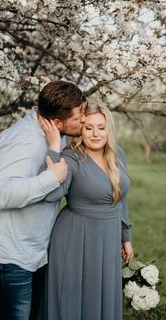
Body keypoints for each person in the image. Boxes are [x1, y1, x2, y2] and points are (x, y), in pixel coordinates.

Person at [0, 80, 87, 320]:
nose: (84, 120)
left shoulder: (56, 136)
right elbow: (2, 195)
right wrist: (51, 178)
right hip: (9, 256)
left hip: (33, 251)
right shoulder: (23, 140)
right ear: (56, 122)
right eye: (79, 117)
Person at [38, 103, 134, 320]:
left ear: (109, 128)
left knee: (103, 294)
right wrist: (54, 148)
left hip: (109, 236)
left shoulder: (118, 154)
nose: (95, 134)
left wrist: (126, 237)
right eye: (89, 127)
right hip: (76, 237)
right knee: (73, 296)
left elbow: (121, 199)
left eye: (101, 127)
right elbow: (51, 194)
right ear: (81, 129)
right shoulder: (71, 157)